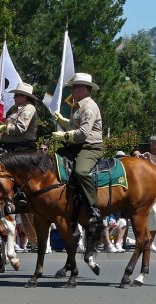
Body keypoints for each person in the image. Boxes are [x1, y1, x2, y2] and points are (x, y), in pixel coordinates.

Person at [51, 72, 103, 227]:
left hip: (90, 147)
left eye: (74, 88)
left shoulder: (89, 107)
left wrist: (63, 136)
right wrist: (63, 122)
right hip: (77, 146)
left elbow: (82, 134)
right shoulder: (79, 106)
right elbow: (76, 127)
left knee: (81, 172)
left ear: (84, 89)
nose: (72, 91)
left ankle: (93, 209)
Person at [0, 82, 38, 152]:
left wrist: (4, 127)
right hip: (11, 147)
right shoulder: (18, 109)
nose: (14, 97)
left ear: (25, 96)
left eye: (16, 95)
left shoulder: (28, 109)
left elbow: (20, 128)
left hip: (20, 148)